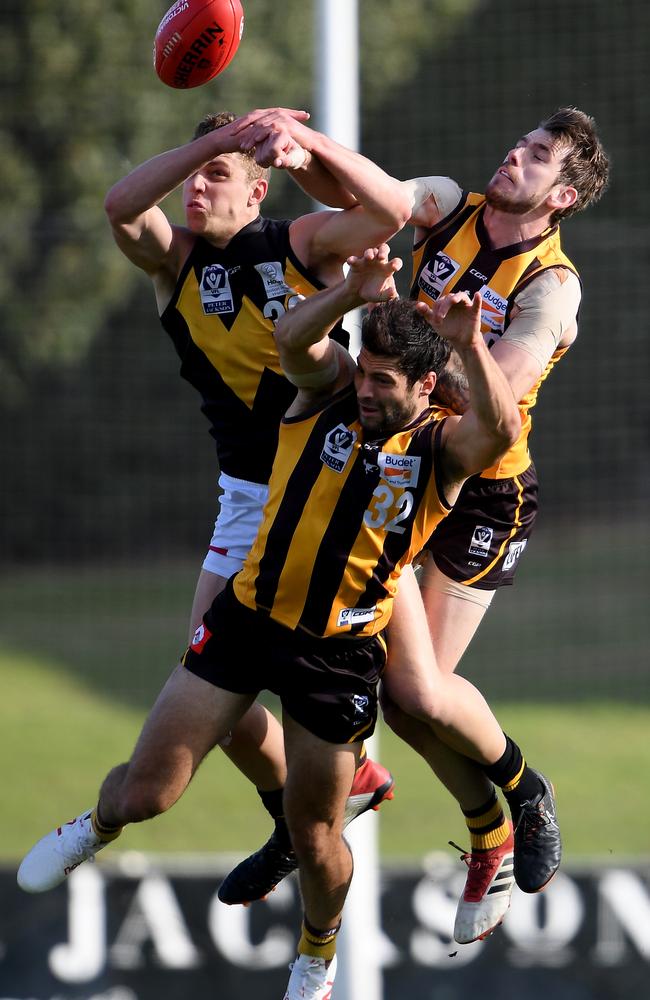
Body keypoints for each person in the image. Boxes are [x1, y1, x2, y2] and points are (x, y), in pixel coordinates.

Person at [17, 244, 522, 1000]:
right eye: (365, 373)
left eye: (384, 383)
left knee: (317, 836)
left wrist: (472, 343)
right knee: (145, 796)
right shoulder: (324, 393)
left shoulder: (441, 453)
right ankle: (96, 825)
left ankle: (316, 957)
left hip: (339, 660)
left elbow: (505, 430)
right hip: (247, 622)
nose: (367, 392)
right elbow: (292, 340)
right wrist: (350, 290)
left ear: (424, 387)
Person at [212, 105, 609, 942]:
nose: (515, 154)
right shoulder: (452, 206)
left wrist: (429, 335)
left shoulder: (552, 285)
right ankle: (457, 823)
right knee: (392, 689)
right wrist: (300, 148)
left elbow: (492, 399)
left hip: (479, 484)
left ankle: (520, 794)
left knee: (416, 693)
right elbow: (387, 198)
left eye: (538, 156)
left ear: (563, 194)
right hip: (396, 456)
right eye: (521, 142)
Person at [98, 109, 415, 870]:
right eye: (192, 174)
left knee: (414, 693)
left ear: (258, 192)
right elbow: (120, 206)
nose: (196, 187)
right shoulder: (172, 264)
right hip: (249, 493)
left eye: (217, 177)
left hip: (336, 482)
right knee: (209, 676)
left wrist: (308, 144)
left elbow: (392, 211)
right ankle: (303, 812)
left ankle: (499, 803)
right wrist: (214, 141)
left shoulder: (298, 242)